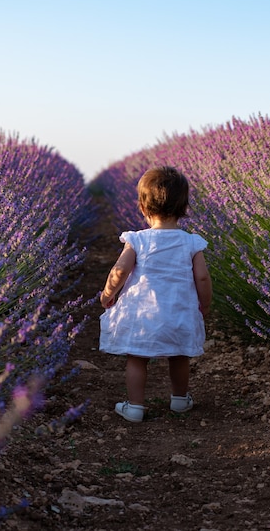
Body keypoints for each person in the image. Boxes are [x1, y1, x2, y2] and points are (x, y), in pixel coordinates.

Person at [99, 166, 213, 423]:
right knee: (179, 356)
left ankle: (136, 407)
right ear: (185, 207)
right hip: (179, 313)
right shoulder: (191, 242)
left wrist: (107, 294)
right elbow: (203, 277)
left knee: (137, 358)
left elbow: (119, 271)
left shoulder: (138, 240)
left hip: (143, 315)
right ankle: (180, 400)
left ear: (142, 207)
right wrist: (204, 304)